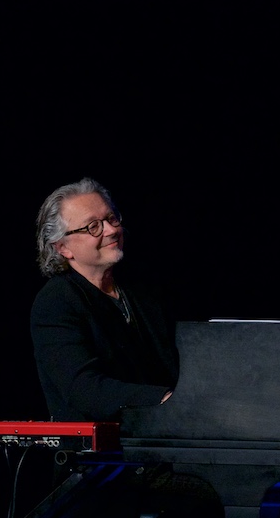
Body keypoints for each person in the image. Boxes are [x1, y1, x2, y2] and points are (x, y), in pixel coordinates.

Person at [31, 177, 179, 421]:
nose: (111, 230)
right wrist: (165, 399)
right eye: (93, 227)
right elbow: (85, 389)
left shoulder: (142, 289)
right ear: (62, 248)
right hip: (101, 453)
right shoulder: (56, 302)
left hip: (161, 437)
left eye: (111, 219)